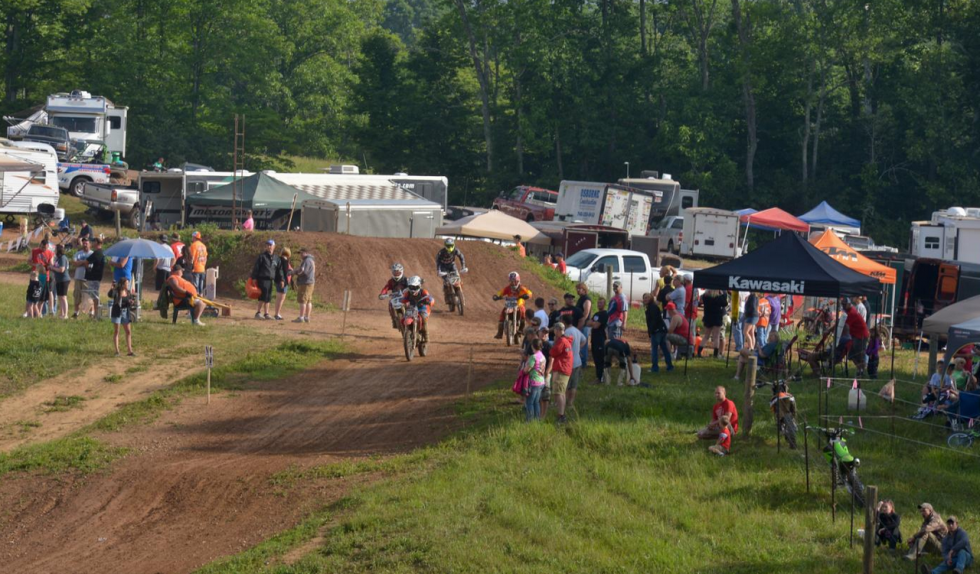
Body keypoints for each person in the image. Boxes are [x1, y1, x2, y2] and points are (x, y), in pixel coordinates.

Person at [697, 386, 739, 456]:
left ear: (724, 393)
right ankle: (721, 437)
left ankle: (726, 437)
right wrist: (711, 425)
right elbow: (713, 419)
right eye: (715, 393)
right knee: (700, 434)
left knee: (725, 421)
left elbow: (727, 418)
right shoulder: (715, 406)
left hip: (729, 427)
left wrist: (714, 424)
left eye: (718, 393)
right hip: (719, 427)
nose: (716, 395)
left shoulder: (729, 403)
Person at [545, 321, 574, 423]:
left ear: (557, 330)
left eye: (555, 330)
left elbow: (553, 352)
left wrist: (554, 342)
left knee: (558, 393)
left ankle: (561, 415)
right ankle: (561, 414)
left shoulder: (561, 341)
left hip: (561, 369)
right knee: (562, 393)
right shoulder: (566, 340)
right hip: (565, 369)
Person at [492, 272, 532, 339]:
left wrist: (527, 295)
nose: (513, 283)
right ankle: (500, 332)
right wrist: (497, 296)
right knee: (503, 312)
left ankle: (521, 329)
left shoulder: (522, 288)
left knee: (523, 311)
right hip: (510, 304)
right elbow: (501, 292)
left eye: (515, 281)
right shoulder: (508, 288)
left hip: (519, 304)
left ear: (518, 281)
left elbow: (529, 292)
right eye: (511, 281)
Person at [563, 315, 588, 412]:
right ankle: (570, 403)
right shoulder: (576, 330)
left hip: (569, 362)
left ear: (564, 322)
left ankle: (563, 402)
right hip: (577, 361)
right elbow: (584, 340)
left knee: (565, 384)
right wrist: (578, 348)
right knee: (574, 385)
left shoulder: (566, 332)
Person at [645, 293, 673, 372]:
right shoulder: (652, 307)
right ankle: (670, 366)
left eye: (647, 297)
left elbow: (654, 320)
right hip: (662, 330)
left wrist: (651, 330)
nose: (645, 299)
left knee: (654, 349)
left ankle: (655, 367)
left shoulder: (652, 307)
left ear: (651, 298)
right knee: (664, 348)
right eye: (644, 298)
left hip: (657, 331)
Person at [843, 298, 870, 377]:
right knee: (851, 355)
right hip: (855, 335)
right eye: (842, 305)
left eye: (844, 305)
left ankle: (862, 371)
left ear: (849, 304)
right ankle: (860, 369)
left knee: (860, 355)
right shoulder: (849, 311)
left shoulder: (852, 313)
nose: (843, 306)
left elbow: (846, 326)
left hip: (861, 335)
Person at [251, 239, 278, 320]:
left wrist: (280, 279)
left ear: (274, 246)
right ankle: (258, 312)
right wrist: (254, 277)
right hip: (262, 279)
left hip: (270, 280)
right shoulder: (262, 256)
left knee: (268, 297)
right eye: (267, 245)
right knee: (263, 296)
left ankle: (266, 313)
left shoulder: (276, 258)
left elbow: (277, 269)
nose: (269, 247)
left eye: (270, 245)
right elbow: (256, 267)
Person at [379, 263, 409, 329]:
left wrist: (410, 289)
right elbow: (386, 288)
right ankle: (394, 320)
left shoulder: (406, 280)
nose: (396, 274)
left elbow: (410, 286)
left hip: (405, 296)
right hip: (395, 297)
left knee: (410, 304)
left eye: (398, 272)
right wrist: (382, 294)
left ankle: (412, 316)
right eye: (395, 272)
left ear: (401, 271)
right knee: (390, 304)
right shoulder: (391, 281)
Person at [523, 338, 547, 421]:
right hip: (541, 381)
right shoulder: (542, 356)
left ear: (533, 346)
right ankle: (537, 419)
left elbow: (527, 370)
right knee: (536, 402)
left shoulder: (533, 357)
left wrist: (524, 369)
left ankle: (529, 420)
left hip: (534, 382)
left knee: (529, 402)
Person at [110, 278, 135, 356]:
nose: (128, 284)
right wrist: (112, 288)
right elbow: (110, 295)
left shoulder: (128, 292)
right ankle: (117, 351)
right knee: (117, 331)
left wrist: (131, 302)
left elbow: (129, 300)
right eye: (127, 283)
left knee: (128, 331)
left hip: (125, 312)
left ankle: (130, 350)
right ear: (123, 284)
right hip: (117, 312)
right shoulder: (117, 291)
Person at [81, 237, 106, 317]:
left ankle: (96, 314)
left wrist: (88, 269)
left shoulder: (97, 253)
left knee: (94, 296)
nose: (92, 243)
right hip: (97, 277)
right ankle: (95, 313)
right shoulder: (102, 252)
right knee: (94, 295)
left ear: (96, 242)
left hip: (94, 277)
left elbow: (86, 262)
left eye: (93, 242)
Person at [700, 290, 728, 358]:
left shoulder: (705, 296)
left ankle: (699, 352)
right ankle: (715, 354)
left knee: (706, 336)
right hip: (717, 318)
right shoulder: (718, 298)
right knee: (716, 337)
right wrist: (722, 294)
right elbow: (725, 303)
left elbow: (701, 299)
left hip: (708, 317)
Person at [71, 237, 93, 318]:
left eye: (86, 243)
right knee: (77, 295)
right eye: (83, 243)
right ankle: (76, 312)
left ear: (89, 244)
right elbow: (74, 263)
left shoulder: (92, 254)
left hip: (87, 279)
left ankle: (91, 312)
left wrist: (80, 262)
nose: (85, 245)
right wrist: (84, 262)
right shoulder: (78, 253)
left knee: (88, 296)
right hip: (78, 277)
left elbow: (90, 266)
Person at [589, 297, 609, 383]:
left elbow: (596, 326)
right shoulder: (596, 314)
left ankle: (600, 377)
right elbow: (588, 323)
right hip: (594, 339)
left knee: (600, 358)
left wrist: (593, 323)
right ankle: (598, 376)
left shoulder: (604, 314)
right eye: (598, 303)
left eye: (601, 303)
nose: (599, 304)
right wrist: (593, 323)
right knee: (595, 358)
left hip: (600, 339)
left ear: (604, 304)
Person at [294, 247, 316, 323]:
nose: (300, 255)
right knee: (308, 300)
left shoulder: (306, 261)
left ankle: (301, 317)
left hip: (305, 283)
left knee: (302, 300)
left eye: (301, 253)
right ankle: (306, 317)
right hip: (310, 282)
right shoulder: (311, 260)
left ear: (305, 253)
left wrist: (296, 273)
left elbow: (303, 271)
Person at [51, 244, 71, 319]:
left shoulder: (63, 258)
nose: (54, 250)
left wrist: (53, 268)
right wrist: (52, 267)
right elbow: (56, 267)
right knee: (59, 297)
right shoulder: (58, 258)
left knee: (63, 297)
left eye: (55, 249)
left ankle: (65, 314)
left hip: (64, 280)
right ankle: (61, 314)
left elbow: (62, 269)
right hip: (58, 280)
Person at [273, 246, 293, 320]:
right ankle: (277, 314)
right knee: (281, 298)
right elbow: (284, 272)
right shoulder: (284, 261)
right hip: (283, 281)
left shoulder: (278, 259)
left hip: (278, 281)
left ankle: (276, 313)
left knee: (278, 298)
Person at [575, 283, 593, 365]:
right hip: (580, 324)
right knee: (579, 343)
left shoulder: (586, 299)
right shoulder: (580, 299)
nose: (578, 290)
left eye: (579, 289)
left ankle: (583, 362)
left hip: (584, 325)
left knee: (583, 344)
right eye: (577, 289)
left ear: (584, 289)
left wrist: (581, 324)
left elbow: (586, 313)